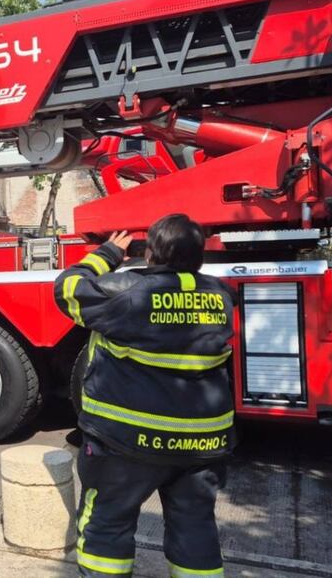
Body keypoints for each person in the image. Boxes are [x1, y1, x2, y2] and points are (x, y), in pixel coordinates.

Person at [53, 214, 236, 578]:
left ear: (150, 253)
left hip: (125, 443)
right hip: (203, 444)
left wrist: (106, 254)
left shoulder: (129, 295)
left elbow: (68, 289)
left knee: (107, 527)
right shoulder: (222, 298)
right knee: (196, 528)